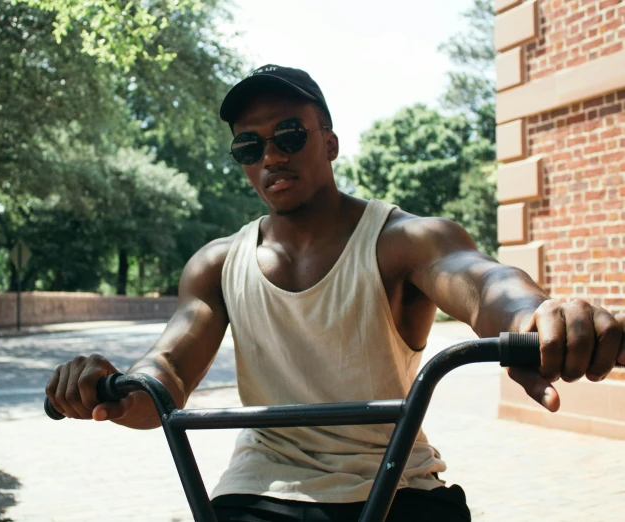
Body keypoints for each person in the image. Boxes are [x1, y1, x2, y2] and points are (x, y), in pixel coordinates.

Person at [45, 65, 625, 522]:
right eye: (249, 147)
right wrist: (113, 391)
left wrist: (534, 316)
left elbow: (482, 281)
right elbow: (165, 372)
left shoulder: (405, 240)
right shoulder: (218, 264)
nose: (270, 155)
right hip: (263, 484)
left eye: (289, 134)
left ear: (329, 142)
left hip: (396, 481)